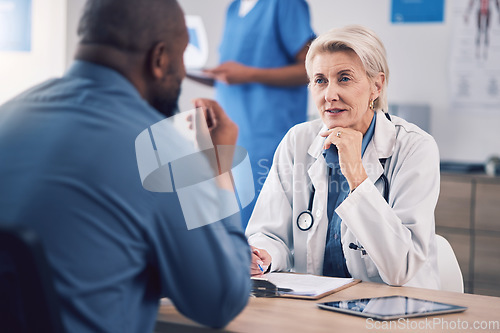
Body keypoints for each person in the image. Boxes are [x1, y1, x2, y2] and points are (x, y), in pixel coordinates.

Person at [0, 0, 250, 332]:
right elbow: (222, 300)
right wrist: (217, 165)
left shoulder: (8, 116)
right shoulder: (157, 148)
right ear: (159, 59)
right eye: (181, 55)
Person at [246, 25, 441, 290]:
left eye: (345, 78)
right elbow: (269, 233)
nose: (330, 95)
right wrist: (263, 255)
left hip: (396, 311)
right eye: (320, 80)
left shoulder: (415, 148)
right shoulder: (298, 140)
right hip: (315, 307)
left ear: (376, 85)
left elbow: (402, 267)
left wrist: (356, 175)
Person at [191, 0, 315, 227]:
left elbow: (312, 68)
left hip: (268, 138)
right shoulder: (233, 8)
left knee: (262, 229)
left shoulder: (284, 5)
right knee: (232, 222)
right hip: (231, 140)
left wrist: (249, 74)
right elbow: (235, 76)